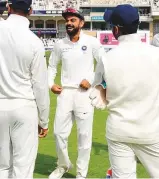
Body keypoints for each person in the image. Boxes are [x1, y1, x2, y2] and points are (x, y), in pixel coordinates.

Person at [90, 4, 159, 178]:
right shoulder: (156, 54)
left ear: (116, 29)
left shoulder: (106, 58)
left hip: (119, 131)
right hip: (150, 130)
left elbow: (98, 94)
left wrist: (103, 89)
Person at [48, 7, 105, 179]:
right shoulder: (60, 45)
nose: (68, 23)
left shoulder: (92, 42)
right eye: (67, 20)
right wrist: (51, 84)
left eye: (73, 20)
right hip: (65, 93)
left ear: (81, 23)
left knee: (84, 136)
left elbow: (103, 63)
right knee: (58, 133)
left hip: (84, 95)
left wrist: (93, 79)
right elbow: (51, 67)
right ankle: (63, 165)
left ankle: (81, 173)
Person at [0, 0, 50, 178]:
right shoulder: (34, 41)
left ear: (8, 7)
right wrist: (44, 120)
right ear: (30, 10)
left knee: (2, 167)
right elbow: (40, 85)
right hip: (24, 107)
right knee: (23, 169)